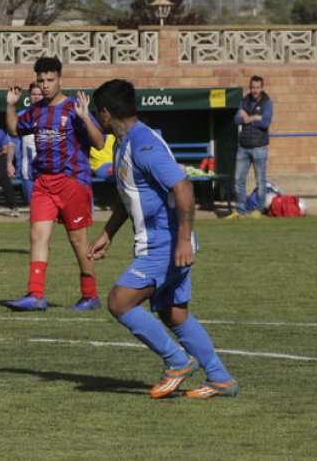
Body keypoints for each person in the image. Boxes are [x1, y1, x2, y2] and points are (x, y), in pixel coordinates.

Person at [86, 78, 238, 398]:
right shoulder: (124, 143)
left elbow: (183, 187)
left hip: (167, 243)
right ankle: (220, 378)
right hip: (162, 241)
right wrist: (107, 233)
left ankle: (177, 362)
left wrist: (183, 240)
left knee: (119, 301)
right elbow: (129, 196)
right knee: (174, 313)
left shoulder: (144, 145)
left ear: (104, 113)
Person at [4, 56, 105, 311]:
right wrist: (10, 106)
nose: (45, 85)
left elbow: (100, 143)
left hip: (73, 182)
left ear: (61, 79)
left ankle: (90, 295)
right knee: (37, 235)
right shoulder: (36, 110)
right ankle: (35, 295)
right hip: (43, 183)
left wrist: (84, 118)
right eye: (41, 81)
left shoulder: (74, 108)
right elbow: (15, 130)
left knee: (78, 241)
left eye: (50, 80)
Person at [229, 75, 273, 218]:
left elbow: (265, 122)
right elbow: (236, 120)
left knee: (260, 180)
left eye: (257, 87)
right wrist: (255, 117)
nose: (255, 90)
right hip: (243, 147)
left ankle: (258, 210)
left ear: (262, 88)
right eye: (253, 87)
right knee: (238, 179)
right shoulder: (244, 100)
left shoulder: (267, 103)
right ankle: (240, 210)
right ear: (250, 87)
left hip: (259, 147)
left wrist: (249, 118)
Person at [14, 84, 45, 208]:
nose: (37, 97)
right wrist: (9, 163)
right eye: (34, 94)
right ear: (29, 96)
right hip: (27, 168)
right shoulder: (21, 116)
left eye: (39, 94)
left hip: (46, 167)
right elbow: (12, 141)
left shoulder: (51, 115)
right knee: (33, 206)